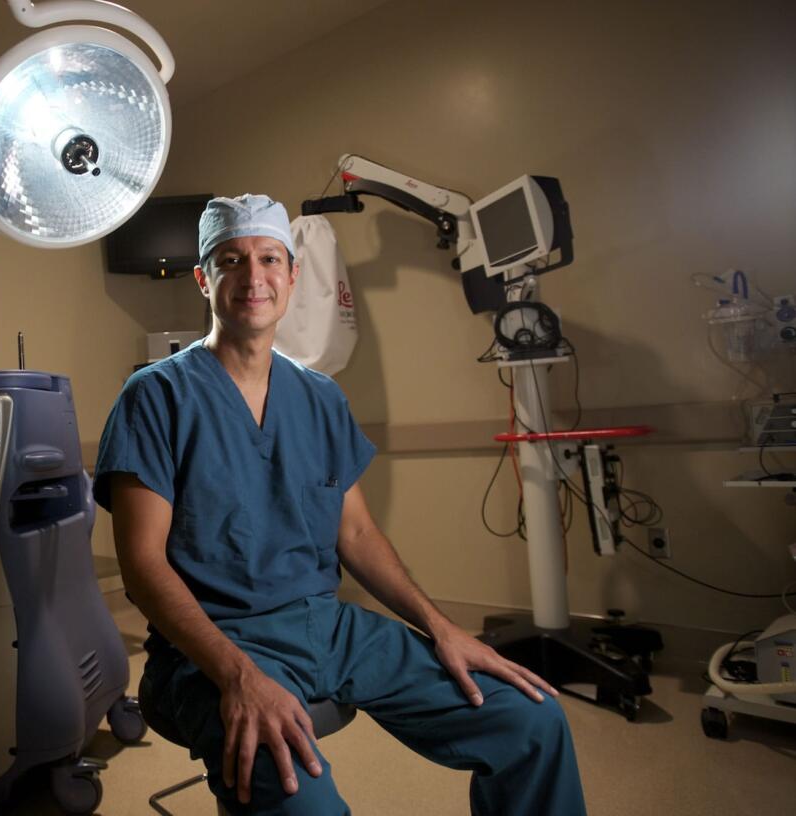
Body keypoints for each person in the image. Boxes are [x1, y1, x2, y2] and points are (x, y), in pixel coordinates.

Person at [93, 194, 586, 815]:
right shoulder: (156, 397)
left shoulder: (321, 398)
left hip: (328, 628)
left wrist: (443, 630)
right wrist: (241, 677)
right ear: (202, 277)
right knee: (305, 802)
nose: (254, 276)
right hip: (216, 646)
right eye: (231, 259)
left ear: (293, 276)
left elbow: (355, 533)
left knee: (530, 722)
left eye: (271, 258)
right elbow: (142, 566)